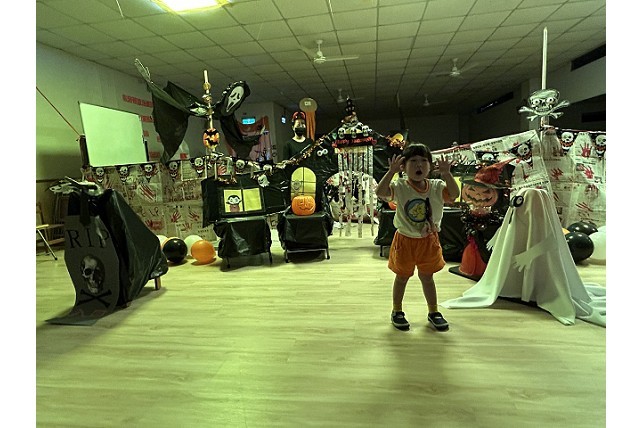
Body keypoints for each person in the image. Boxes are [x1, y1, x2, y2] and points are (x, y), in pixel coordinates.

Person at [375, 142, 460, 331]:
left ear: (430, 166)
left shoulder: (437, 186)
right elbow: (380, 192)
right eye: (413, 161)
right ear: (404, 167)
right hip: (404, 240)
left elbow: (454, 194)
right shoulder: (400, 186)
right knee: (402, 277)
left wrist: (447, 173)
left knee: (427, 277)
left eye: (423, 161)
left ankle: (433, 311)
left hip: (429, 241)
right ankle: (397, 311)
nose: (419, 165)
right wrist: (390, 172)